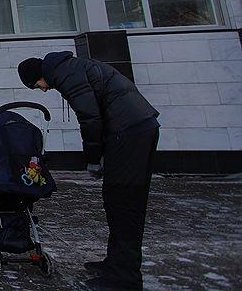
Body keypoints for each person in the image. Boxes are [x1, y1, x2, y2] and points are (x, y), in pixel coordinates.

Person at [18, 52, 160, 291]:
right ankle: (116, 264)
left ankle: (124, 278)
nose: (42, 89)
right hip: (131, 129)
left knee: (124, 204)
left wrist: (93, 159)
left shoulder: (65, 74)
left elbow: (90, 118)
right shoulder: (70, 68)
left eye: (36, 85)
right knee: (116, 200)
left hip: (129, 133)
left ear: (38, 75)